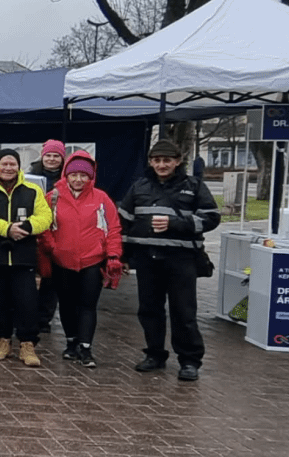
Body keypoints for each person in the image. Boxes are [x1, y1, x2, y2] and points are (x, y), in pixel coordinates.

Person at [118, 138, 220, 381]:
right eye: (157, 160)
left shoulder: (194, 186)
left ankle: (189, 361)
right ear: (150, 162)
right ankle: (154, 354)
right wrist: (123, 256)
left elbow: (212, 218)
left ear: (177, 161)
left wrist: (176, 224)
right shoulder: (139, 187)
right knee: (149, 310)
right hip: (146, 260)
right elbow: (123, 223)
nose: (161, 165)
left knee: (183, 312)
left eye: (167, 160)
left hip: (181, 259)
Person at [39, 151, 121, 369]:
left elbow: (113, 229)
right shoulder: (53, 197)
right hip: (62, 260)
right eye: (74, 174)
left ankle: (85, 347)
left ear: (91, 177)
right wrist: (52, 247)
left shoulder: (102, 199)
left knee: (88, 305)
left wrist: (113, 255)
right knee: (66, 304)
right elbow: (43, 226)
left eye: (83, 176)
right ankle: (71, 342)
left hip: (91, 261)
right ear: (66, 174)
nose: (78, 179)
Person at [0, 149, 51, 367]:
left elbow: (45, 216)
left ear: (18, 166)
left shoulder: (32, 190)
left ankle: (27, 344)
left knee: (27, 302)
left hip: (23, 257)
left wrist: (25, 227)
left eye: (12, 164)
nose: (8, 168)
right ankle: (2, 341)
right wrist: (7, 229)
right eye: (4, 164)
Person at [29, 139, 66, 332]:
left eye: (56, 156)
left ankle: (44, 318)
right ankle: (27, 314)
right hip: (33, 231)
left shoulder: (69, 179)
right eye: (48, 155)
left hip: (57, 232)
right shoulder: (29, 176)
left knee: (51, 278)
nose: (51, 159)